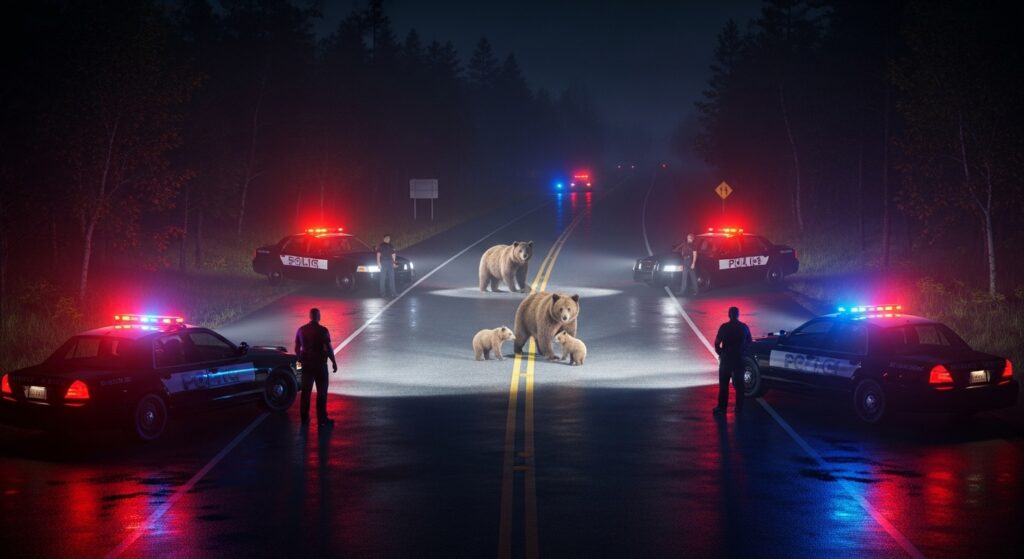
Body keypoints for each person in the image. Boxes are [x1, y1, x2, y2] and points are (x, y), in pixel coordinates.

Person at [294, 307, 338, 427]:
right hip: (320, 365)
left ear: (310, 317)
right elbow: (328, 348)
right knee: (322, 393)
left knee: (305, 393)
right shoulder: (323, 331)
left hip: (306, 365)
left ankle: (304, 418)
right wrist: (334, 362)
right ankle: (322, 419)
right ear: (318, 317)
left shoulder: (301, 330)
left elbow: (297, 350)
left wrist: (298, 368)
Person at [713, 306, 752, 415]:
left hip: (726, 360)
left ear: (729, 315)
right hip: (739, 359)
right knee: (740, 386)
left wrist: (721, 353)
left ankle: (722, 408)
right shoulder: (744, 327)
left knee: (724, 385)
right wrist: (743, 352)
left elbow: (717, 344)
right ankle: (739, 408)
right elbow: (749, 342)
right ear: (738, 315)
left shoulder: (724, 327)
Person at [376, 234, 398, 298]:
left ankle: (393, 293)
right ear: (384, 238)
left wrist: (394, 263)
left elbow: (393, 254)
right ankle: (382, 293)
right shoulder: (381, 245)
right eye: (387, 238)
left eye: (389, 238)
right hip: (383, 263)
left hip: (390, 263)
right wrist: (378, 262)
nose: (389, 239)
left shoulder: (391, 245)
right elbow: (378, 254)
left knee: (392, 278)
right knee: (382, 278)